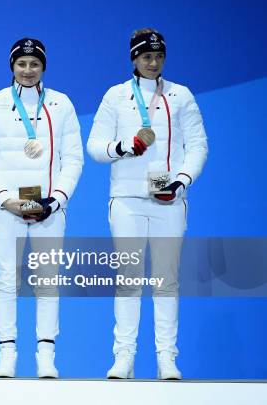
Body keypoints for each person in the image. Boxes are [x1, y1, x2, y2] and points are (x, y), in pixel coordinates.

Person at [87, 28, 208, 380]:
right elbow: (95, 145)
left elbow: (198, 145)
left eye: (158, 57)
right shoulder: (116, 96)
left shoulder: (181, 95)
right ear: (134, 59)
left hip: (169, 200)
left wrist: (181, 180)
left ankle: (167, 358)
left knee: (166, 281)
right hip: (126, 200)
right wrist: (122, 147)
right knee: (128, 279)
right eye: (146, 57)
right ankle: (123, 357)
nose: (153, 63)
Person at [0, 38, 83, 378]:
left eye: (34, 64)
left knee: (48, 282)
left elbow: (73, 158)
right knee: (6, 280)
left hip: (49, 210)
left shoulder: (61, 104)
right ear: (12, 66)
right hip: (7, 210)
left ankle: (46, 355)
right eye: (21, 63)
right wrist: (6, 199)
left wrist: (56, 199)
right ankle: (7, 354)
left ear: (43, 67)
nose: (28, 70)